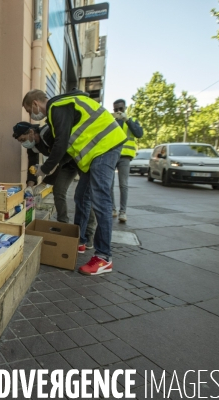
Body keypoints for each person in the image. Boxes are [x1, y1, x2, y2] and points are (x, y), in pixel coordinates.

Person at [22, 89, 127, 276]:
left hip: (104, 146)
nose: (32, 115)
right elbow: (66, 153)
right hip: (94, 154)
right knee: (81, 197)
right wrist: (46, 179)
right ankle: (81, 240)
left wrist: (44, 169)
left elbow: (61, 144)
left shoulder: (57, 107)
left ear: (36, 104)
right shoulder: (60, 109)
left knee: (100, 200)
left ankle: (104, 257)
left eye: (30, 110)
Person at [12, 122, 97, 249]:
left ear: (30, 132)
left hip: (79, 159)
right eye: (20, 141)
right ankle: (63, 225)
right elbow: (33, 165)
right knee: (58, 191)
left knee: (84, 196)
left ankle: (88, 234)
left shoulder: (48, 134)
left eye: (23, 139)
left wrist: (45, 183)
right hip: (64, 165)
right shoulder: (32, 146)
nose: (23, 143)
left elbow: (58, 160)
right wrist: (30, 185)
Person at [110, 99, 144, 222]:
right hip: (112, 155)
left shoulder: (132, 121)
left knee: (123, 184)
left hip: (125, 156)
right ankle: (112, 209)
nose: (118, 111)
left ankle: (122, 212)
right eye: (116, 109)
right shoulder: (111, 121)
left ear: (125, 108)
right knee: (109, 183)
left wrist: (127, 120)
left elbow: (139, 134)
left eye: (121, 109)